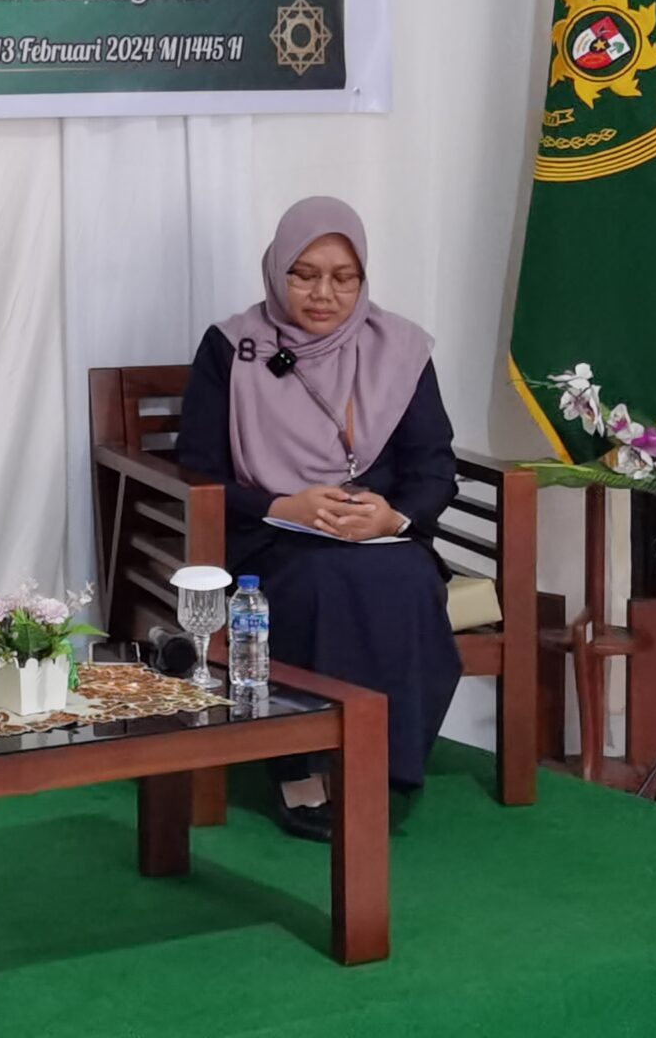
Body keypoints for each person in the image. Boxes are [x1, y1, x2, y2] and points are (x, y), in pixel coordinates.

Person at [173, 195, 463, 842]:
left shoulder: (400, 349)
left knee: (406, 583)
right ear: (277, 270)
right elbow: (198, 470)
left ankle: (376, 771)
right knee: (320, 584)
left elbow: (434, 466)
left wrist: (394, 517)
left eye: (343, 277)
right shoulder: (232, 348)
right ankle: (300, 769)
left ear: (363, 278)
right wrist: (282, 505)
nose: (323, 293)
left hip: (378, 539)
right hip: (269, 539)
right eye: (304, 275)